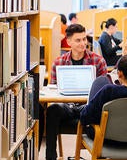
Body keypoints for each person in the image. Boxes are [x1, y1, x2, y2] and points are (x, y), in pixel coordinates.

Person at [45, 24, 109, 160]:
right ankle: (50, 157)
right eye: (78, 40)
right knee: (52, 110)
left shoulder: (98, 61)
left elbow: (104, 91)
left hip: (88, 107)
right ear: (68, 42)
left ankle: (99, 154)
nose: (83, 43)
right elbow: (53, 91)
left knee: (101, 113)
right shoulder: (58, 62)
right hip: (67, 107)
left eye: (84, 39)